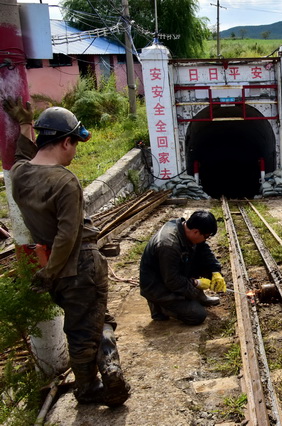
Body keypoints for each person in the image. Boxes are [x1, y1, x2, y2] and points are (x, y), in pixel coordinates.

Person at [3, 99, 130, 407]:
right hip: (80, 263)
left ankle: (106, 373)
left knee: (88, 320)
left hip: (56, 266)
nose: (75, 152)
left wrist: (23, 126)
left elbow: (23, 153)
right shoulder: (65, 181)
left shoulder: (20, 174)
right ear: (65, 141)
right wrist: (49, 273)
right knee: (84, 329)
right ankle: (93, 386)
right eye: (75, 143)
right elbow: (68, 233)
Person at [139, 210, 226, 325]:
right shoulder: (168, 245)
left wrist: (215, 271)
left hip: (171, 274)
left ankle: (198, 296)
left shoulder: (185, 229)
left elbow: (204, 250)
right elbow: (172, 281)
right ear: (196, 232)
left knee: (205, 263)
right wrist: (196, 283)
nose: (206, 240)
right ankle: (161, 307)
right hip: (158, 286)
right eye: (206, 236)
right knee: (197, 315)